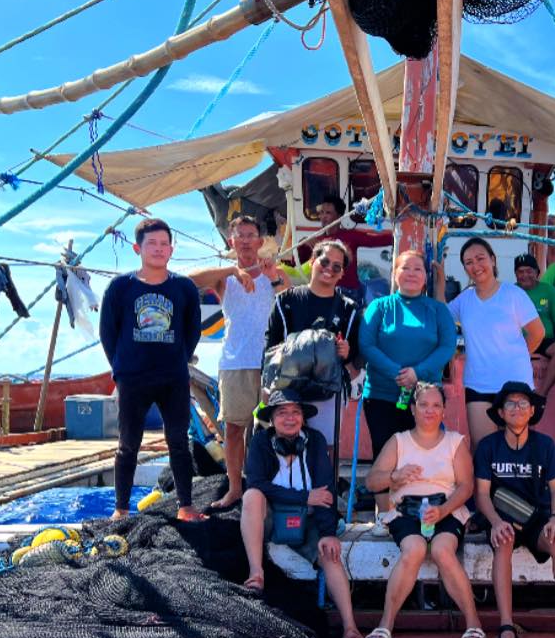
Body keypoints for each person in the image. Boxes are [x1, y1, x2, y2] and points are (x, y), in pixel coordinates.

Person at [473, 382, 555, 638]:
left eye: (523, 403)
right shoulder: (489, 446)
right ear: (500, 412)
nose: (517, 408)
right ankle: (506, 626)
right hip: (500, 516)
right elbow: (481, 494)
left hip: (535, 516)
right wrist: (494, 522)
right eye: (510, 403)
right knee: (504, 542)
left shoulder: (544, 444)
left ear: (532, 411)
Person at [239, 390, 363, 638]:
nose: (290, 418)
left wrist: (328, 532)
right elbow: (256, 482)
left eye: (295, 412)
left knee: (330, 553)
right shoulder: (261, 442)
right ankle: (256, 573)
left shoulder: (315, 441)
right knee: (252, 496)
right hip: (271, 517)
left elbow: (325, 491)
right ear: (272, 419)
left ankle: (350, 626)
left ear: (303, 418)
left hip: (307, 521)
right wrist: (305, 497)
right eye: (282, 413)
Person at [363, 383, 483, 638]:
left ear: (443, 411)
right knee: (414, 549)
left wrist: (442, 511)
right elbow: (371, 481)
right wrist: (394, 477)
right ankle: (385, 626)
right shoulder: (399, 441)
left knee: (442, 550)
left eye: (436, 405)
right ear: (413, 409)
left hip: (447, 509)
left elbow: (466, 487)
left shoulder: (455, 442)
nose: (430, 410)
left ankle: (473, 624)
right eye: (424, 405)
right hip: (407, 511)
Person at [99, 217, 204, 522]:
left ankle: (186, 506)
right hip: (133, 379)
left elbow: (192, 331)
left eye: (164, 244)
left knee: (178, 442)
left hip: (173, 378)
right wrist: (121, 369)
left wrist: (179, 359)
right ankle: (121, 509)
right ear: (138, 248)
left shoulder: (184, 287)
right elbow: (108, 333)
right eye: (152, 244)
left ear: (172, 249)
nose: (159, 249)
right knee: (128, 444)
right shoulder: (120, 287)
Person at [189, 215, 293, 509]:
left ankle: (275, 486)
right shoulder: (224, 278)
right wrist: (232, 269)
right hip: (234, 362)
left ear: (260, 242)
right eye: (240, 235)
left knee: (277, 428)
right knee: (234, 429)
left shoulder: (275, 273)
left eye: (251, 235)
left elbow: (290, 303)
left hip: (272, 362)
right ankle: (235, 488)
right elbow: (189, 281)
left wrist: (273, 277)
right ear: (231, 241)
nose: (246, 240)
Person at [442, 238, 544, 450]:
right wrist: (439, 282)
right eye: (469, 262)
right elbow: (441, 315)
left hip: (515, 383)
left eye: (480, 258)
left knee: (517, 451)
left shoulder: (514, 294)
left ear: (493, 260)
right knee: (483, 450)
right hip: (478, 384)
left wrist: (515, 358)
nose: (476, 266)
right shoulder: (464, 299)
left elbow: (537, 333)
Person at [358, 250, 457, 461]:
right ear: (394, 274)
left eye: (418, 269)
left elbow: (448, 346)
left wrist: (417, 373)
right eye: (405, 268)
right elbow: (366, 345)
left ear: (425, 277)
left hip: (425, 399)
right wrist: (398, 373)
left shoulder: (438, 310)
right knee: (385, 458)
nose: (411, 273)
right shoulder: (379, 307)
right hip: (381, 396)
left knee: (423, 458)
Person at [266, 239, 360, 449]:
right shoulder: (285, 300)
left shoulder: (349, 309)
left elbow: (355, 352)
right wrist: (266, 388)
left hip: (327, 391)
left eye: (337, 266)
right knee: (284, 448)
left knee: (325, 447)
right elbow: (270, 344)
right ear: (312, 261)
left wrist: (347, 352)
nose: (329, 269)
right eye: (324, 262)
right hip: (287, 389)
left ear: (342, 273)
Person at [295, 195, 393, 306]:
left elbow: (377, 240)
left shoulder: (350, 236)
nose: (323, 216)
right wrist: (302, 244)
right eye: (321, 213)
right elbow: (296, 263)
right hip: (326, 292)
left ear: (339, 216)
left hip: (350, 293)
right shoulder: (315, 241)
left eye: (328, 213)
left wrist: (399, 233)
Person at [514, 253, 555, 397]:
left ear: (537, 272)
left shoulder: (549, 290)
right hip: (518, 341)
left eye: (529, 271)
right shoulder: (510, 292)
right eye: (520, 272)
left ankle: (541, 395)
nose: (525, 275)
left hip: (544, 340)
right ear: (516, 275)